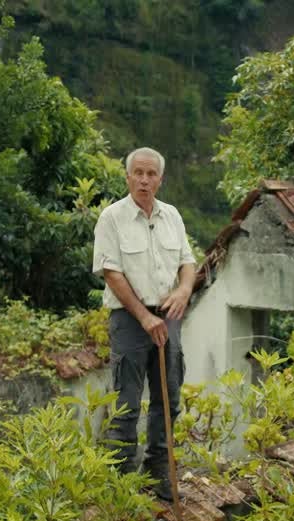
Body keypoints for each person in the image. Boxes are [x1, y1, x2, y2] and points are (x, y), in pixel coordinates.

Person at [92, 147, 196, 500]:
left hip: (170, 316)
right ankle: (119, 482)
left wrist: (183, 291)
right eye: (138, 173)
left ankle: (159, 474)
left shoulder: (173, 217)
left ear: (160, 179)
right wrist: (145, 316)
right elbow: (111, 272)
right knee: (127, 402)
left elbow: (187, 262)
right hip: (130, 319)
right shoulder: (112, 218)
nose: (144, 180)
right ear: (128, 176)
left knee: (169, 398)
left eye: (151, 174)